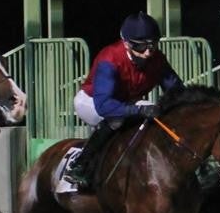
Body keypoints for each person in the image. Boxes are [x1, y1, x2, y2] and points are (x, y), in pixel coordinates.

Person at [65, 11, 183, 192]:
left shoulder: (157, 59)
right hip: (92, 102)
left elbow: (177, 91)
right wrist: (139, 111)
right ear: (127, 43)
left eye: (152, 45)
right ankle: (81, 165)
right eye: (141, 46)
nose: (148, 52)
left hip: (126, 102)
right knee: (117, 120)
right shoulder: (109, 59)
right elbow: (104, 106)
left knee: (159, 115)